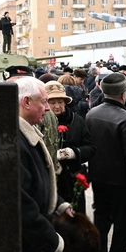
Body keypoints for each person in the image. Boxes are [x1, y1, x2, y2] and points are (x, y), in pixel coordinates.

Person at [16, 77, 73, 252]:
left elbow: (39, 182)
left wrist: (59, 203)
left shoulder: (27, 131)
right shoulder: (16, 139)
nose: (48, 108)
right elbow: (21, 202)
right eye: (44, 101)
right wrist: (50, 242)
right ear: (26, 102)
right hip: (29, 245)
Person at [85, 73, 126, 252]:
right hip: (120, 179)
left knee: (101, 215)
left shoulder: (92, 113)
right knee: (123, 220)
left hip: (98, 175)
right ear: (123, 94)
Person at [45, 81, 95, 215]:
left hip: (72, 181)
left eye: (60, 102)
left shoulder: (76, 120)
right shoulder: (40, 122)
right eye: (52, 102)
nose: (57, 106)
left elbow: (90, 147)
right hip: (50, 181)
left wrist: (74, 152)